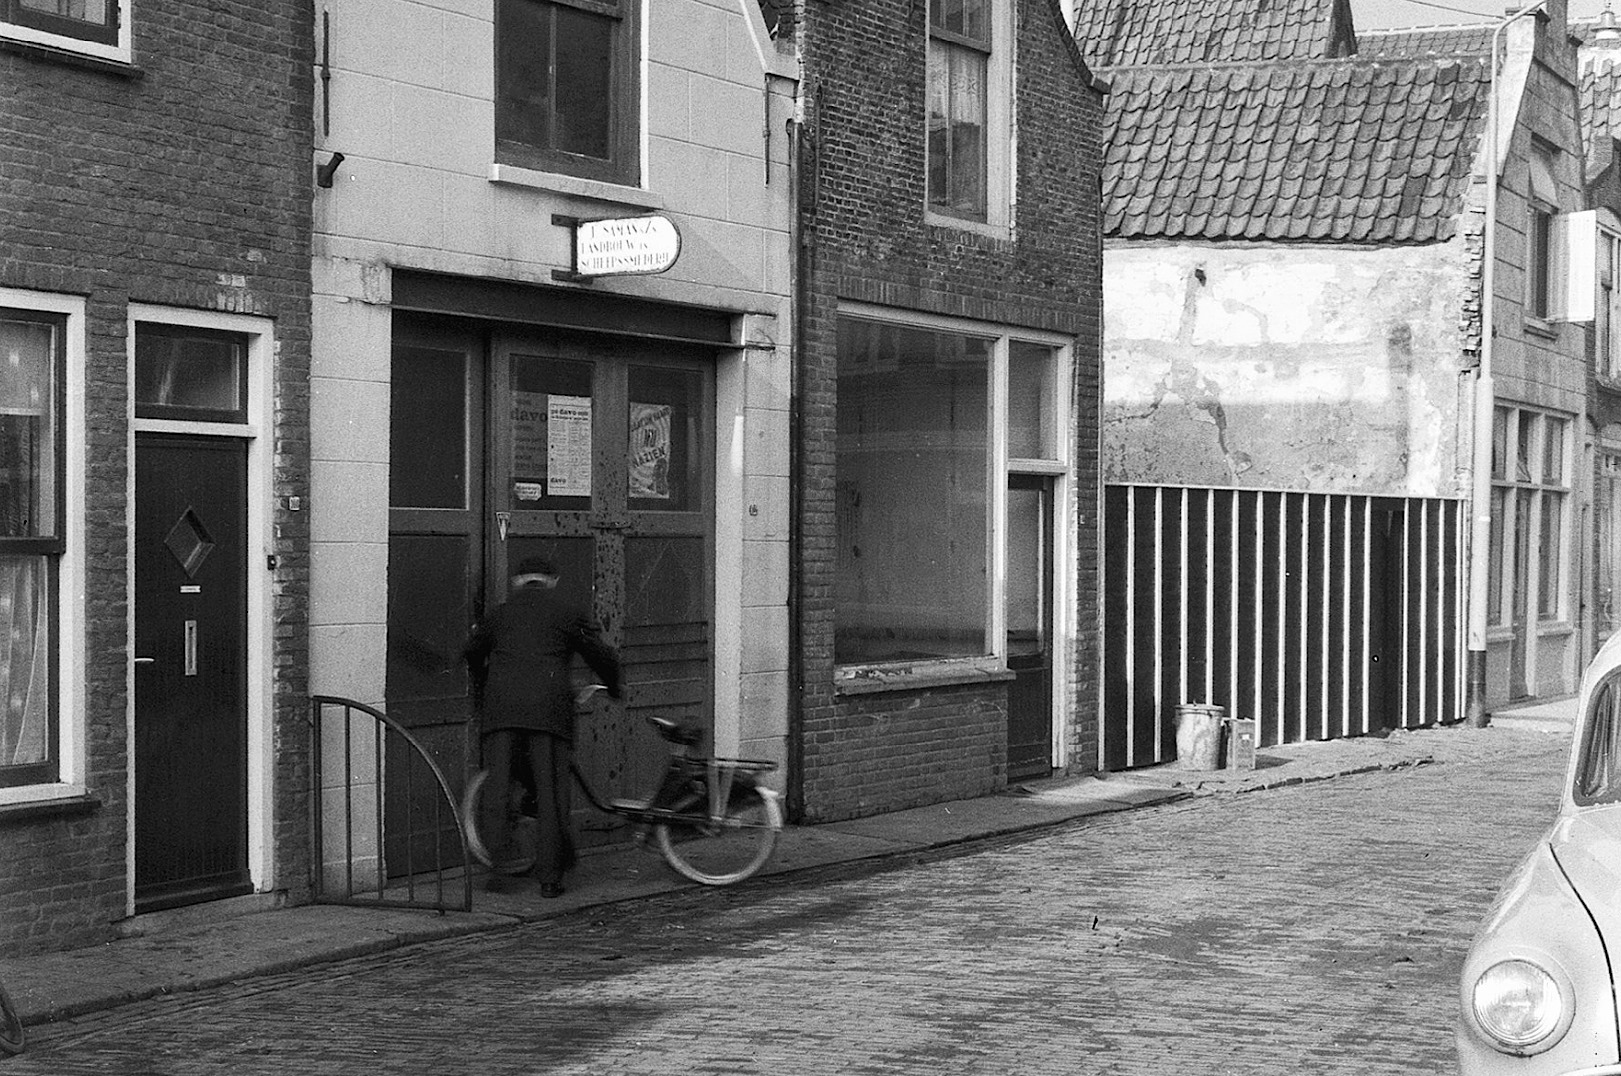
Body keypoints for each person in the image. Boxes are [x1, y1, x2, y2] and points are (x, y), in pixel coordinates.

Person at [465, 556, 622, 897]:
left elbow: (472, 652)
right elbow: (600, 654)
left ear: (517, 581)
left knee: (498, 789)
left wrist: (486, 683)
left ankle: (499, 873)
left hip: (502, 712)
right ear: (552, 580)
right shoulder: (567, 613)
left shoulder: (499, 614)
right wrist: (614, 686)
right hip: (548, 714)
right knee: (550, 791)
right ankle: (550, 880)